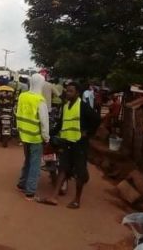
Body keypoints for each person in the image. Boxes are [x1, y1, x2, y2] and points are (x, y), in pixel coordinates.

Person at [40, 81, 100, 209]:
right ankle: (53, 197)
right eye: (67, 90)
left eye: (71, 91)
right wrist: (49, 135)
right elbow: (60, 124)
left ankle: (77, 200)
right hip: (67, 143)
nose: (67, 92)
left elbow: (96, 119)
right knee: (62, 169)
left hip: (79, 144)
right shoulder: (66, 106)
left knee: (79, 172)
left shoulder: (83, 106)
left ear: (77, 93)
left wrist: (88, 133)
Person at [14, 74, 50, 201]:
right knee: (35, 164)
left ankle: (21, 184)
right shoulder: (40, 100)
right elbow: (44, 122)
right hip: (35, 137)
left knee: (28, 160)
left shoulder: (23, 96)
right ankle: (30, 192)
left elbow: (18, 113)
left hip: (24, 134)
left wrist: (19, 130)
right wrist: (46, 138)